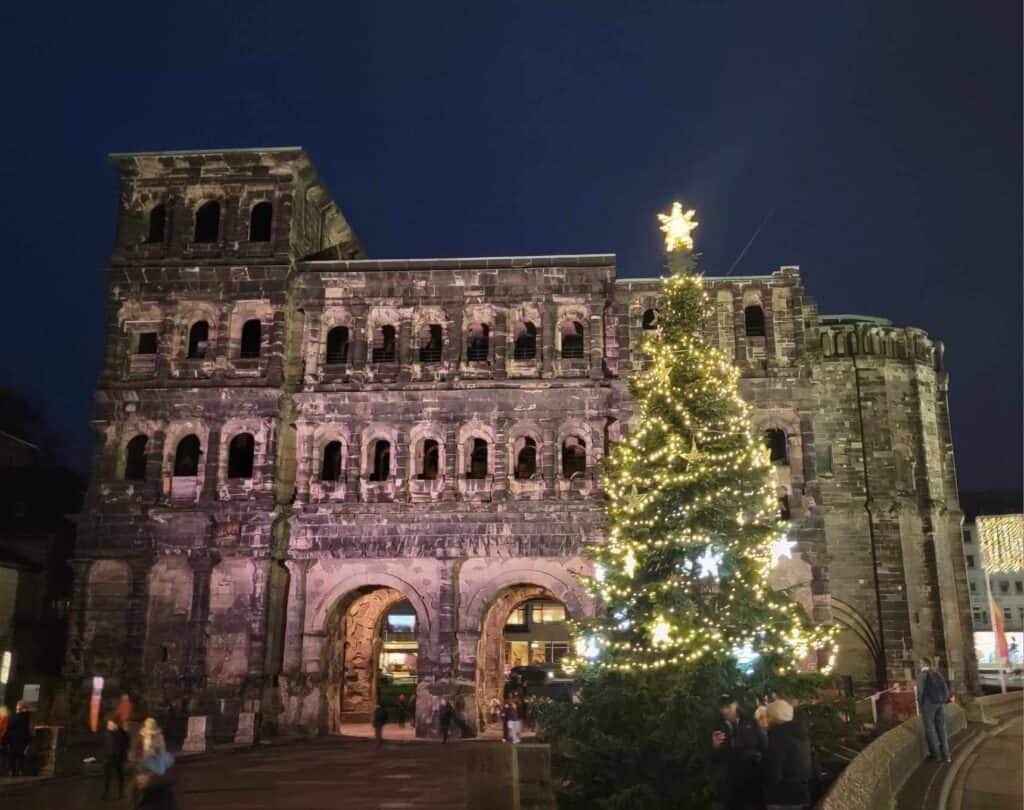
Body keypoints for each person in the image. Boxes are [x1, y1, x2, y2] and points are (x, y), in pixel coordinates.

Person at [710, 693, 766, 810]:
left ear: (735, 705)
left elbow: (763, 745)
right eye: (722, 707)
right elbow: (713, 758)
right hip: (730, 781)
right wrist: (715, 746)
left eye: (728, 706)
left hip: (751, 778)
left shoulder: (749, 721)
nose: (725, 710)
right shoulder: (717, 726)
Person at [761, 699, 813, 810]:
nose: (766, 720)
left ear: (774, 717)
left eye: (768, 716)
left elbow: (774, 772)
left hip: (782, 798)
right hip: (801, 794)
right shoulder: (800, 734)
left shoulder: (778, 736)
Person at [916, 657, 951, 763]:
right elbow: (945, 688)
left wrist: (920, 704)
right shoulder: (937, 673)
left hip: (929, 704)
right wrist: (944, 700)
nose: (919, 665)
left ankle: (936, 755)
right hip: (940, 703)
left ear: (923, 663)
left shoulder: (922, 675)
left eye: (920, 663)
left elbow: (920, 692)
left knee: (930, 729)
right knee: (941, 728)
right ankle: (946, 754)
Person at [136, 718, 176, 809]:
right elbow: (138, 748)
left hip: (154, 762)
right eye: (148, 725)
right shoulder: (142, 735)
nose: (149, 727)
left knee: (154, 784)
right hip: (144, 761)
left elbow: (162, 749)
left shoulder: (159, 736)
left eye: (151, 725)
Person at [101, 717, 130, 800]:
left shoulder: (121, 733)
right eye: (108, 724)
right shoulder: (106, 733)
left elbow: (127, 743)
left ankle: (121, 793)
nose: (109, 726)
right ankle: (105, 793)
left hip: (118, 757)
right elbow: (103, 745)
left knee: (120, 775)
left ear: (115, 725)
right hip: (108, 757)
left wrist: (125, 731)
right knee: (107, 776)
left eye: (111, 724)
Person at [6, 701, 31, 777]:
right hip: (23, 739)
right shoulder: (27, 717)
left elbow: (10, 725)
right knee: (21, 756)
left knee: (12, 755)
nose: (16, 707)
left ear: (20, 707)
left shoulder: (17, 716)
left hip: (15, 738)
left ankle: (12, 771)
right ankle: (20, 771)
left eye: (17, 705)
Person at [0, 705, 8, 774]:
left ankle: (2, 770)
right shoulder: (5, 719)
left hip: (2, 739)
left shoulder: (3, 719)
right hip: (3, 739)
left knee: (2, 756)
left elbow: (2, 729)